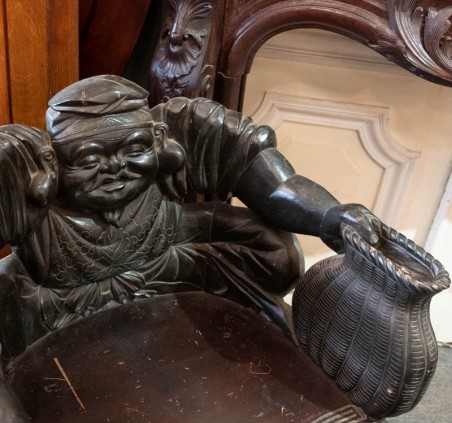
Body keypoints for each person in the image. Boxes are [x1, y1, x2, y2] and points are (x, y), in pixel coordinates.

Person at [0, 75, 378, 360]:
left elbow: (273, 182)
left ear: (159, 139)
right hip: (60, 303)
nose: (114, 167)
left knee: (276, 250)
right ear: (51, 161)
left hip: (172, 266)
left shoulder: (185, 130)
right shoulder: (21, 172)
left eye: (134, 148)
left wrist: (329, 216)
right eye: (89, 158)